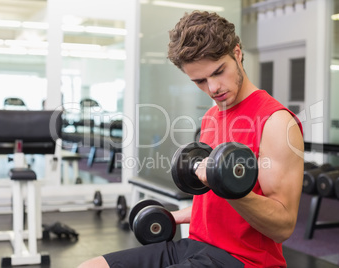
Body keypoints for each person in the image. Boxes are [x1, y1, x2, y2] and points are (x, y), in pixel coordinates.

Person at [78, 10, 303, 268]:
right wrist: (174, 217)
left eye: (219, 72)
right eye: (200, 81)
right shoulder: (211, 117)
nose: (213, 88)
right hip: (196, 246)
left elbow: (283, 226)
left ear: (237, 54)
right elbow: (213, 206)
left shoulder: (275, 122)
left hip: (243, 260)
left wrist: (228, 186)